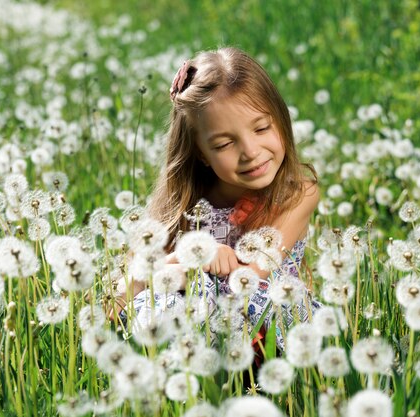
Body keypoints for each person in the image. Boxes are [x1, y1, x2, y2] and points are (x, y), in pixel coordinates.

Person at [109, 47, 320, 350]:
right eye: (224, 144)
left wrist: (188, 270)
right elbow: (118, 301)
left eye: (261, 128)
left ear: (281, 119)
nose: (250, 151)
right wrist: (180, 260)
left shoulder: (297, 195)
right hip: (197, 338)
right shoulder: (185, 208)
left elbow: (249, 284)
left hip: (270, 333)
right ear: (201, 155)